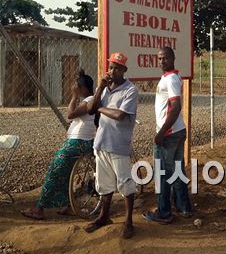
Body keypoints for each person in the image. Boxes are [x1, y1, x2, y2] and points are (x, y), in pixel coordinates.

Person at [21, 70, 95, 220]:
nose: (73, 88)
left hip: (80, 142)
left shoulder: (91, 100)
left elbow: (70, 114)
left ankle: (39, 209)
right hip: (77, 141)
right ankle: (68, 205)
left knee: (54, 172)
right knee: (65, 173)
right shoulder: (87, 100)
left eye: (76, 86)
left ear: (83, 88)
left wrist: (73, 96)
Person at [84, 52, 138, 239]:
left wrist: (99, 107)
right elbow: (90, 109)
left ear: (124, 70)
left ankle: (129, 221)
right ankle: (104, 216)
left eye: (117, 67)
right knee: (104, 184)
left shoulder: (130, 90)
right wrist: (99, 88)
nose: (112, 71)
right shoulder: (106, 89)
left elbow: (120, 115)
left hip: (118, 144)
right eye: (111, 67)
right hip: (102, 142)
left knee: (125, 184)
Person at [143, 46, 192, 224]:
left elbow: (176, 106)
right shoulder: (173, 76)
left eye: (165, 58)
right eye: (159, 58)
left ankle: (163, 213)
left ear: (173, 58)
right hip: (178, 131)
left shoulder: (171, 78)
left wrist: (162, 132)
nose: (162, 61)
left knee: (162, 173)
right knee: (177, 171)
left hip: (169, 134)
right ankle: (184, 207)